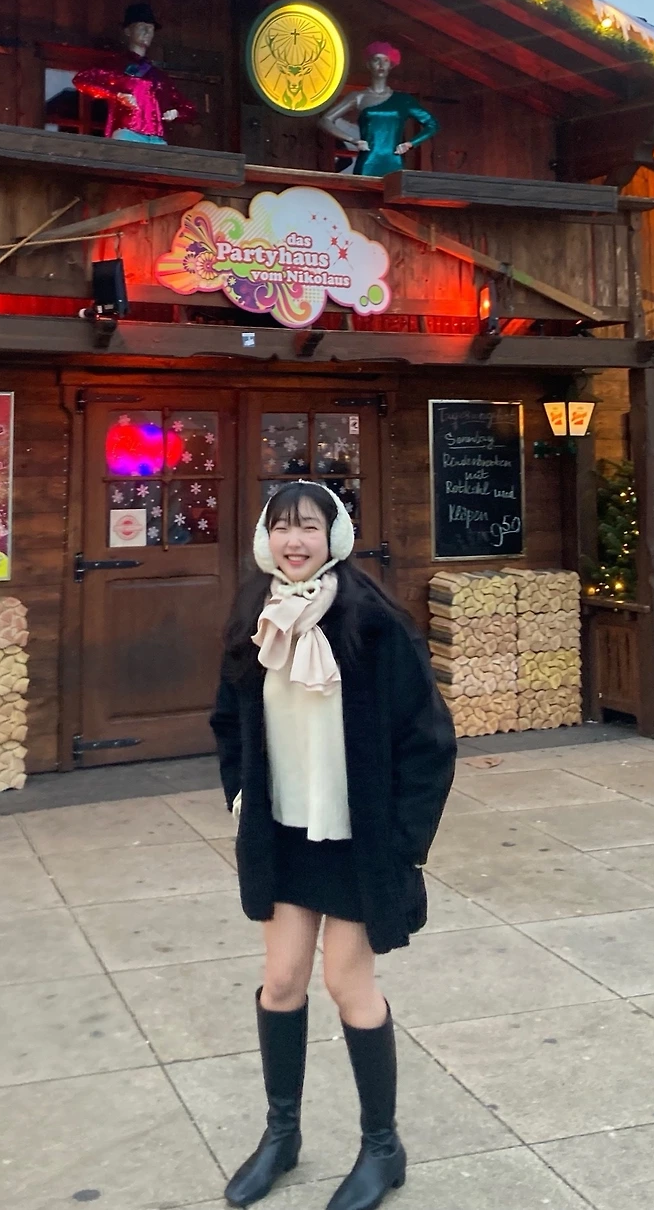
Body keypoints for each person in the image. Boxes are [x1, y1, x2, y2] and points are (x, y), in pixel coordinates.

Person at [210, 482, 456, 1209]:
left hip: (358, 840)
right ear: (266, 540)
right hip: (285, 836)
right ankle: (281, 1136)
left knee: (350, 986)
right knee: (282, 981)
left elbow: (429, 740)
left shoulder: (373, 622)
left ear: (334, 537)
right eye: (282, 528)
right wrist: (242, 797)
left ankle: (382, 1147)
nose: (295, 541)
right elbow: (228, 719)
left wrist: (403, 843)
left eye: (309, 528)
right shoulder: (254, 617)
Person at [72, 2, 197, 145]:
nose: (147, 32)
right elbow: (82, 79)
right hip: (127, 133)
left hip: (157, 139)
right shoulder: (114, 66)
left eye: (151, 29)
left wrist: (176, 113)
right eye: (142, 27)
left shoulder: (159, 77)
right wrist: (116, 95)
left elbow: (189, 109)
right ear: (128, 31)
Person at [318, 43, 438, 177]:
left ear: (390, 65)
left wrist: (410, 144)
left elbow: (432, 124)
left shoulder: (403, 100)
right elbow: (325, 120)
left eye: (385, 60)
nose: (381, 65)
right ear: (368, 65)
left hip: (394, 162)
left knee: (393, 189)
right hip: (367, 162)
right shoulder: (358, 97)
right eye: (376, 60)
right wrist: (353, 140)